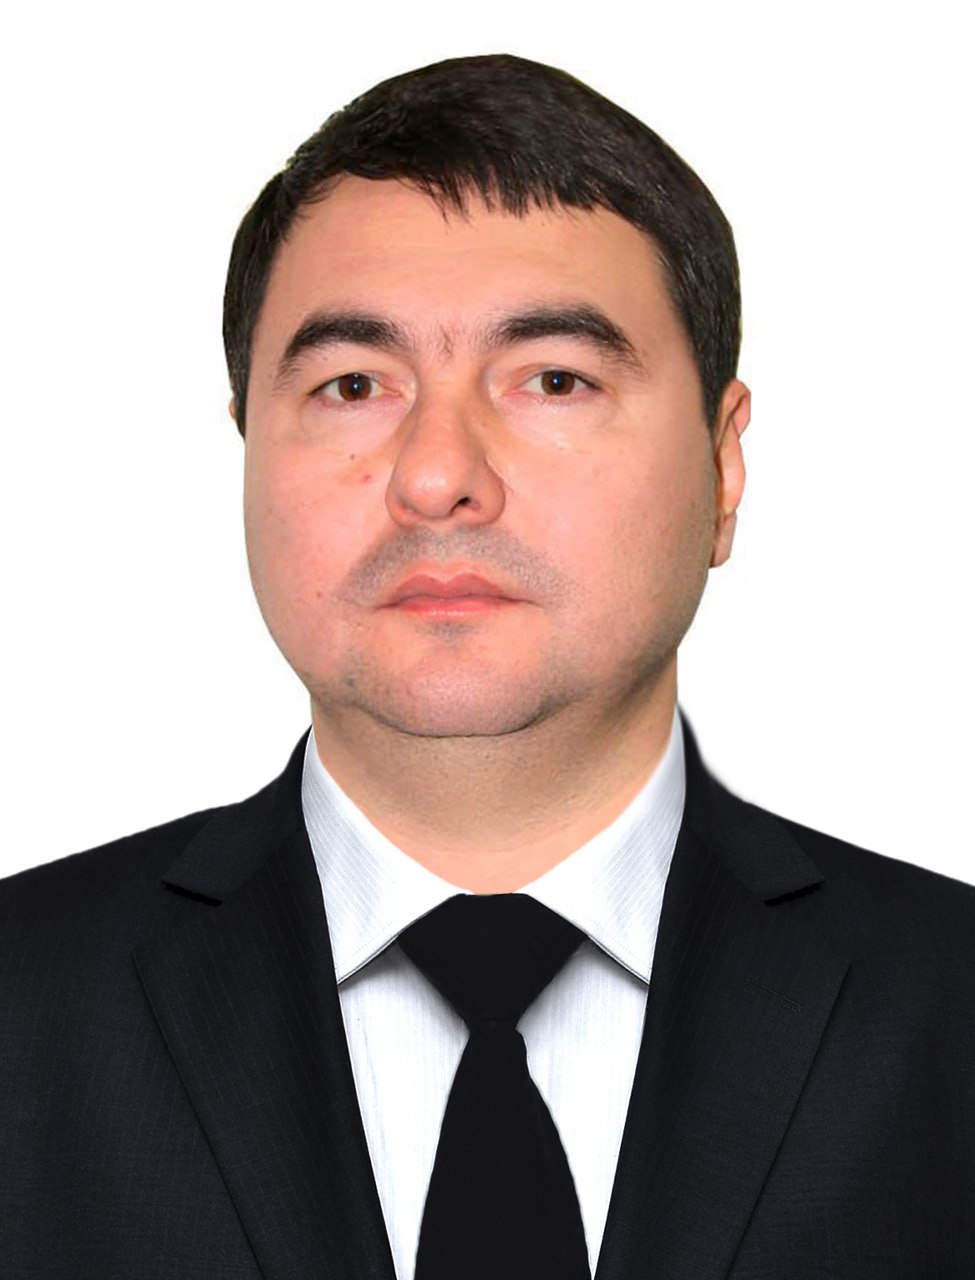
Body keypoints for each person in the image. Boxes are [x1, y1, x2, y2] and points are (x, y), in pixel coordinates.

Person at [1, 52, 972, 1280]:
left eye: (555, 379)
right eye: (354, 385)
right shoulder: (23, 1006)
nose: (435, 474)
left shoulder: (949, 1009)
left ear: (724, 468)